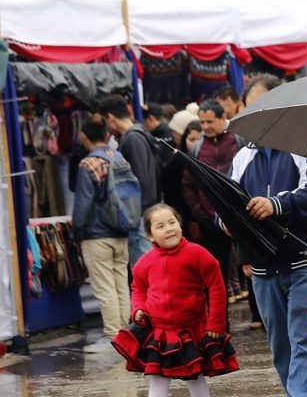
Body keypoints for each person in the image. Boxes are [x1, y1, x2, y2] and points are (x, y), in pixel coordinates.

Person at [225, 74, 307, 396]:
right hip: (263, 270)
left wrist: (275, 204)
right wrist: (225, 224)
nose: (256, 114)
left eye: (262, 104)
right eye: (249, 108)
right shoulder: (243, 156)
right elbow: (227, 203)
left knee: (306, 345)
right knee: (281, 351)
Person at [112, 204, 238, 397]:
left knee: (195, 376)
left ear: (180, 225)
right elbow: (138, 289)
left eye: (172, 222)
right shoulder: (144, 262)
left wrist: (216, 323)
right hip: (160, 331)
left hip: (192, 329)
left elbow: (216, 287)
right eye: (160, 226)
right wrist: (138, 308)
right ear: (150, 235)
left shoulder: (198, 254)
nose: (168, 229)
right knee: (158, 378)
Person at [71, 114, 131, 353]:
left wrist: (77, 229)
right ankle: (127, 334)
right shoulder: (118, 157)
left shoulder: (88, 164)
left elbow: (83, 203)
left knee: (105, 288)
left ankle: (113, 337)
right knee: (121, 285)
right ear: (107, 136)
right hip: (122, 229)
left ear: (83, 136)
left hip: (97, 235)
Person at [182, 100, 242, 286]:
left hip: (241, 214)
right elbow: (188, 183)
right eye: (202, 122)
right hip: (212, 219)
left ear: (222, 118)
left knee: (249, 267)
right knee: (216, 271)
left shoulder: (238, 139)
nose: (205, 127)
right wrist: (201, 215)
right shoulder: (198, 147)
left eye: (209, 121)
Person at [98, 95, 156, 266]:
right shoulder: (139, 133)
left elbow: (141, 178)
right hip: (144, 211)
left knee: (144, 267)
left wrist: (133, 213)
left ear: (110, 118)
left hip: (139, 213)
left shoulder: (132, 138)